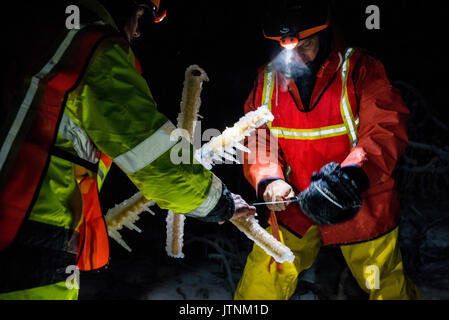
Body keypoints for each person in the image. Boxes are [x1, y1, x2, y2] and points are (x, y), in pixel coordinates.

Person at [0, 0, 255, 300]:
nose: (136, 31)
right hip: (23, 239)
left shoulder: (32, 35)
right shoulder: (89, 46)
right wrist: (218, 203)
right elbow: (152, 154)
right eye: (140, 16)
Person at [234, 0, 420, 300]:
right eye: (288, 47)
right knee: (262, 282)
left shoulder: (360, 69)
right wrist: (268, 180)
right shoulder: (266, 79)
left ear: (325, 34)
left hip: (359, 196)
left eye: (305, 44)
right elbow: (257, 139)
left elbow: (385, 128)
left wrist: (349, 178)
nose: (296, 55)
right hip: (293, 201)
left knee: (385, 284)